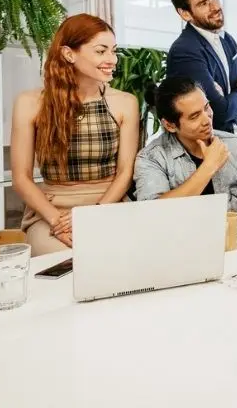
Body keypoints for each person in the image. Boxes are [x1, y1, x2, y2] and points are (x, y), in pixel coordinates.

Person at [11, 14, 140, 256]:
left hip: (108, 206)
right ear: (69, 54)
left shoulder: (125, 103)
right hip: (51, 211)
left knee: (121, 255)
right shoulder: (29, 103)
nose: (111, 60)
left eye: (114, 51)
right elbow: (21, 178)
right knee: (67, 259)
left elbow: (125, 173)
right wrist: (57, 221)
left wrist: (92, 215)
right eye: (101, 51)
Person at [133, 76, 237, 221]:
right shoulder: (151, 158)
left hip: (232, 239)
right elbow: (153, 212)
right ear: (170, 125)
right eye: (194, 116)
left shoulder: (236, 145)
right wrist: (209, 167)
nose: (207, 119)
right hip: (179, 240)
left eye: (206, 107)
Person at [166, 0, 237, 139]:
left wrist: (236, 95)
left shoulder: (227, 40)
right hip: (210, 148)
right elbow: (219, 112)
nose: (216, 7)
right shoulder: (185, 50)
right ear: (185, 13)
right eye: (203, 3)